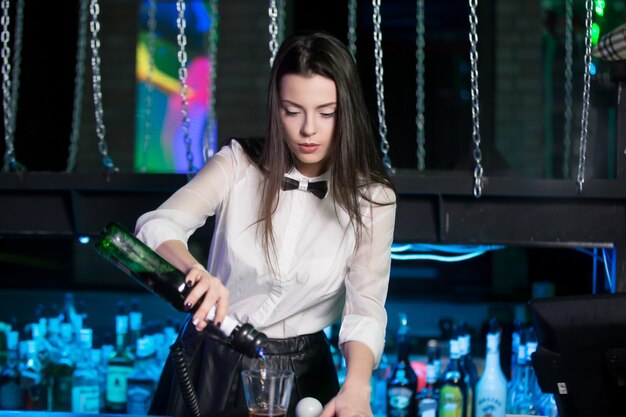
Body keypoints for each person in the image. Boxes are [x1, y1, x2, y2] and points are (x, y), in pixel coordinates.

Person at [136, 31, 397, 417]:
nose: (309, 129)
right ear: (277, 109)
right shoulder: (237, 163)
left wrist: (357, 386)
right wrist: (193, 270)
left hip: (304, 372)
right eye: (293, 111)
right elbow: (156, 226)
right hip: (211, 363)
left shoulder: (372, 199)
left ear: (348, 112)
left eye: (326, 112)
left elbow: (365, 310)